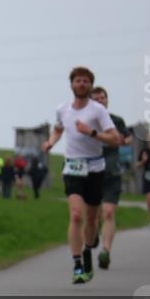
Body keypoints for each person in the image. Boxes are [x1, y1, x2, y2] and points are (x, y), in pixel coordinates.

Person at [42, 67, 121, 284]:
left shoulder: (98, 111)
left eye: (86, 81)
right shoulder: (63, 109)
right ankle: (77, 264)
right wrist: (50, 142)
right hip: (72, 168)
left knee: (92, 220)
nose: (82, 84)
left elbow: (115, 139)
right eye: (78, 81)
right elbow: (58, 129)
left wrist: (92, 132)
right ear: (71, 85)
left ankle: (87, 251)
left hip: (95, 169)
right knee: (76, 214)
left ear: (90, 85)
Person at [89, 86, 132, 269]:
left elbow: (128, 138)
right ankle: (96, 233)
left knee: (108, 212)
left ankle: (106, 251)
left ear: (107, 100)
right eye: (96, 98)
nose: (100, 100)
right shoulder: (87, 120)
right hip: (92, 173)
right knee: (95, 214)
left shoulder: (116, 120)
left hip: (112, 172)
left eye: (103, 98)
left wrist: (121, 140)